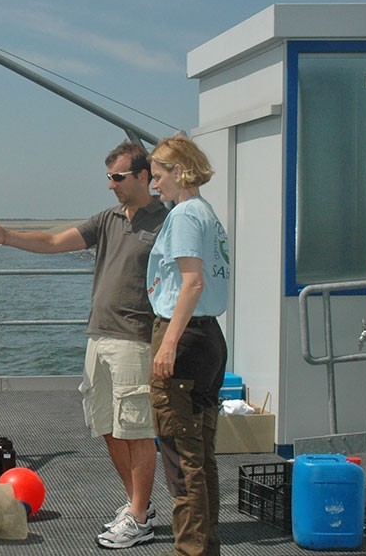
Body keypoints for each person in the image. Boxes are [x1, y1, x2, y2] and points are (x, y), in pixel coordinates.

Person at [0, 140, 167, 549]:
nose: (111, 185)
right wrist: (5, 237)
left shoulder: (166, 221)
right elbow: (55, 242)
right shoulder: (108, 219)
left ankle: (141, 516)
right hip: (100, 335)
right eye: (108, 177)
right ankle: (135, 505)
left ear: (143, 176)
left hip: (137, 338)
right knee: (108, 427)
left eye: (118, 177)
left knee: (138, 430)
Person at [146, 133, 230, 556]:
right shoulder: (207, 213)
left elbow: (191, 283)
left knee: (181, 457)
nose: (154, 185)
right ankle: (206, 546)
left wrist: (168, 344)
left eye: (158, 176)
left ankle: (190, 550)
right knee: (201, 454)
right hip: (210, 338)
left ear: (179, 172)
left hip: (185, 336)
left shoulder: (182, 216)